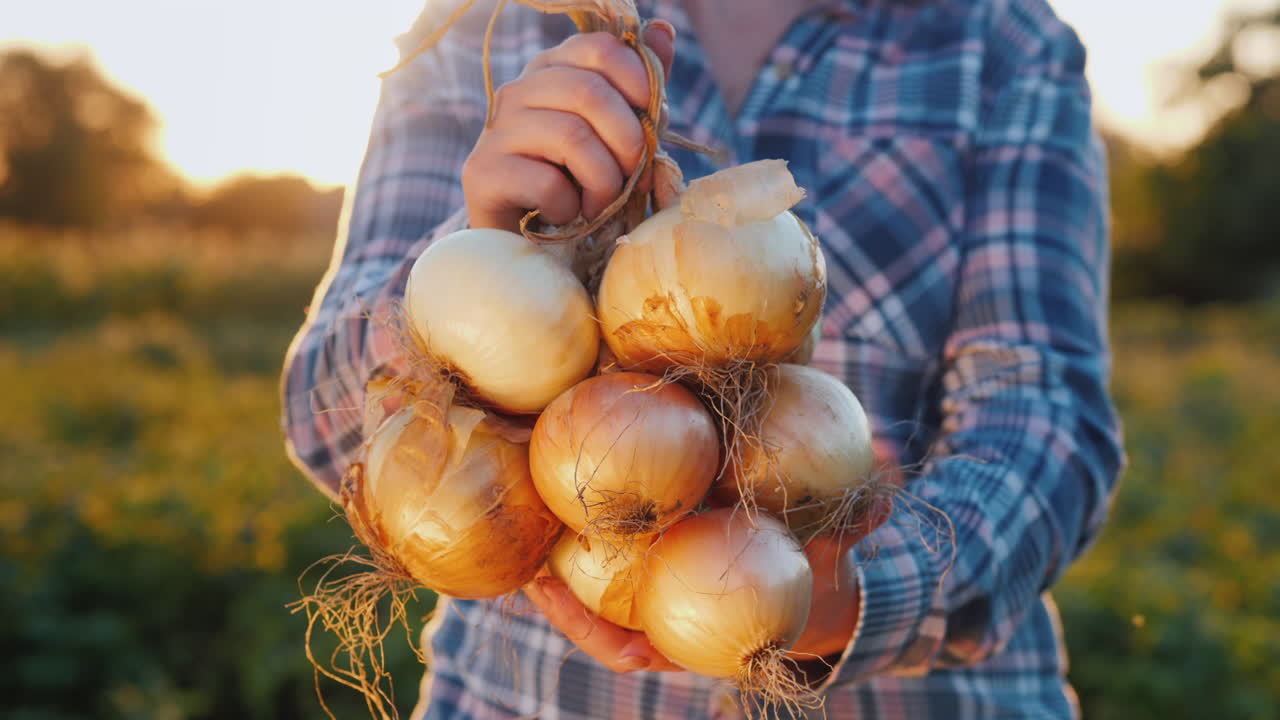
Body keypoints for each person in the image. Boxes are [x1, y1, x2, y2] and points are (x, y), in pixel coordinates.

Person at [281, 0, 1125, 716]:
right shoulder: (482, 24)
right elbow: (319, 408)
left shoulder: (998, 36)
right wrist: (484, 246)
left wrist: (858, 595)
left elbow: (1045, 411)